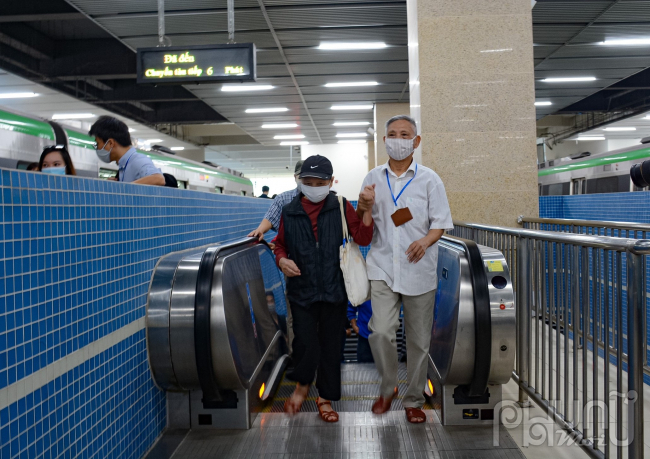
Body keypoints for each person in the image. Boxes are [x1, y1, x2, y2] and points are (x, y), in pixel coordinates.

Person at [357, 114, 453, 424]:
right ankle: (388, 389)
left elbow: (440, 223)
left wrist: (425, 241)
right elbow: (364, 230)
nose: (398, 139)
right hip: (383, 266)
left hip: (419, 269)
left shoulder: (429, 179)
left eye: (405, 134)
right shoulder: (372, 178)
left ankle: (413, 399)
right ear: (384, 140)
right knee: (380, 331)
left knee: (418, 339)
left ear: (416, 141)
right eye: (393, 134)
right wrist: (365, 208)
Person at [275, 155, 373, 423]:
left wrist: (367, 210)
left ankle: (325, 398)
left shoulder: (341, 206)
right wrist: (281, 259)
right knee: (305, 342)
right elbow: (280, 243)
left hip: (334, 289)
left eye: (320, 182)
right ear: (299, 182)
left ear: (331, 182)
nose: (314, 186)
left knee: (331, 347)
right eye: (308, 182)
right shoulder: (290, 211)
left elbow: (363, 237)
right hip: (301, 290)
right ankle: (303, 384)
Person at [89, 116, 165, 185]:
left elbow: (158, 179)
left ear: (111, 143)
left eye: (98, 143)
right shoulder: (124, 165)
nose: (97, 148)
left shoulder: (137, 161)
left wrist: (123, 188)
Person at [248, 160, 304, 239]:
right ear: (295, 177)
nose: (305, 180)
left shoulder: (320, 198)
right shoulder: (283, 198)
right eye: (301, 176)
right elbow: (270, 218)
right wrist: (259, 230)